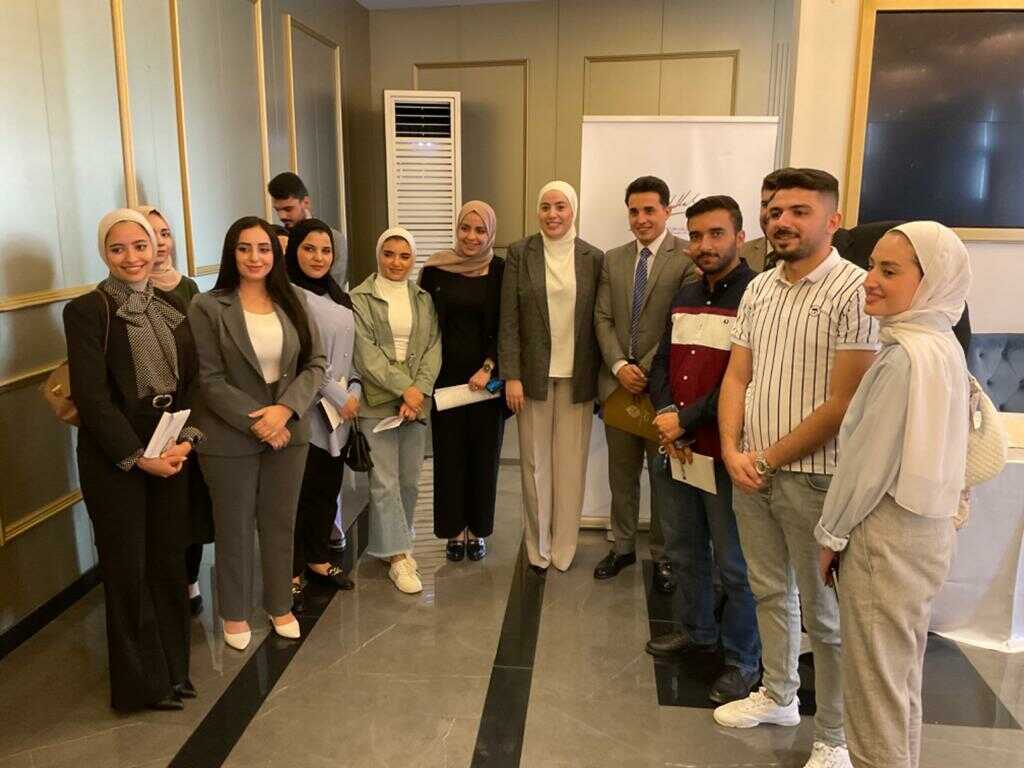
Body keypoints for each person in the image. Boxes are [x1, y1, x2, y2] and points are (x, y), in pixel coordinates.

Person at [713, 169, 878, 768]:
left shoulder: (855, 291)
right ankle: (779, 695)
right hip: (750, 470)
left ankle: (834, 736)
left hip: (816, 477)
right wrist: (732, 449)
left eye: (799, 211)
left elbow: (843, 403)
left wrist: (763, 457)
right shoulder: (759, 288)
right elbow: (737, 375)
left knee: (825, 616)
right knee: (768, 590)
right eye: (776, 211)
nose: (781, 221)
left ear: (832, 220)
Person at [816, 222, 971, 768]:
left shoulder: (904, 356)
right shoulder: (942, 344)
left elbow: (866, 466)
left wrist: (830, 536)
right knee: (900, 682)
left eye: (889, 270)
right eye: (872, 267)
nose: (870, 280)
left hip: (884, 536)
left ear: (930, 281)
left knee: (873, 697)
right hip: (927, 533)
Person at [64, 208, 202, 711]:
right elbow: (92, 398)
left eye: (140, 246)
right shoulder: (87, 310)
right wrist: (138, 457)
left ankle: (174, 672)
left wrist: (186, 441)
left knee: (167, 562)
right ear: (104, 252)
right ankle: (141, 686)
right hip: (116, 454)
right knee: (129, 569)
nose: (131, 257)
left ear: (155, 247)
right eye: (117, 248)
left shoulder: (172, 305)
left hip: (169, 441)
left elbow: (194, 381)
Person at [189, 217, 326, 650]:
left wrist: (284, 411)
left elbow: (316, 364)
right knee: (234, 526)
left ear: (276, 253)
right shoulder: (208, 306)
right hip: (229, 436)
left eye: (263, 248)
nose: (255, 257)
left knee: (280, 521)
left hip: (288, 432)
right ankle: (234, 611)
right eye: (244, 248)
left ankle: (279, 604)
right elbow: (208, 379)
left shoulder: (295, 300)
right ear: (231, 253)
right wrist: (259, 422)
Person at [646, 195, 761, 704]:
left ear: (740, 236)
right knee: (684, 552)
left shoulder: (757, 296)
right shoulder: (685, 292)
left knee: (734, 565)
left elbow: (745, 379)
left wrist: (685, 420)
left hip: (724, 453)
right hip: (677, 451)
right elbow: (661, 363)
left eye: (716, 234)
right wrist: (666, 413)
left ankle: (742, 660)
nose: (704, 245)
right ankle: (697, 633)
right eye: (695, 236)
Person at [593, 175, 697, 591]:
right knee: (621, 476)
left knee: (663, 479)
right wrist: (620, 365)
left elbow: (680, 321)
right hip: (618, 386)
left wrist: (647, 369)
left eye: (649, 210)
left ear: (667, 211)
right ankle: (622, 546)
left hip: (662, 390)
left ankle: (663, 555)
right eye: (634, 211)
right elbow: (602, 318)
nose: (641, 219)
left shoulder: (685, 258)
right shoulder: (613, 259)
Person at [499, 181, 604, 573]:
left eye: (560, 206)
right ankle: (537, 544)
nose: (552, 214)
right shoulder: (520, 253)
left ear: (573, 209)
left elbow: (600, 320)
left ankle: (564, 545)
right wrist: (511, 375)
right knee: (534, 464)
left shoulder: (593, 257)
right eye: (545, 207)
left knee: (571, 466)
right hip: (532, 377)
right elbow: (508, 319)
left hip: (579, 377)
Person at [351, 228, 441, 594]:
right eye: (389, 254)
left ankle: (396, 542)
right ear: (379, 255)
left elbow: (433, 346)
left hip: (415, 402)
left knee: (409, 480)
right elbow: (365, 353)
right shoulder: (359, 297)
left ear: (413, 259)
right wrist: (405, 388)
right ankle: (399, 557)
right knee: (384, 481)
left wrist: (418, 391)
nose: (396, 262)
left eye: (404, 256)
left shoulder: (423, 298)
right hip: (377, 401)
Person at [134, 204, 210, 617]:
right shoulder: (118, 295)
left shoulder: (188, 288)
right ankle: (156, 585)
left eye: (164, 233)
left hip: (184, 412)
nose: (160, 243)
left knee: (188, 502)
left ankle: (189, 580)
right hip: (140, 418)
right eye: (150, 235)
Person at [419, 201, 506, 562]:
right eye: (465, 228)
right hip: (446, 377)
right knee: (449, 457)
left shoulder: (501, 270)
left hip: (488, 380)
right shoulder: (435, 270)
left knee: (484, 457)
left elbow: (508, 324)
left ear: (491, 233)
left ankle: (478, 529)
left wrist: (489, 366)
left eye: (480, 230)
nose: (472, 237)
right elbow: (424, 326)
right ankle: (454, 530)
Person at [284, 218, 361, 609]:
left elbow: (352, 353)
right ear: (294, 251)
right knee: (298, 496)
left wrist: (355, 390)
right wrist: (337, 394)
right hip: (308, 411)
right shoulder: (289, 296)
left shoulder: (339, 296)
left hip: (340, 416)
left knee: (325, 492)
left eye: (326, 250)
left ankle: (317, 558)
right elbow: (299, 357)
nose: (318, 257)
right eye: (309, 249)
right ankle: (292, 572)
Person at [268, 172, 347, 288]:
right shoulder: (277, 239)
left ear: (306, 203)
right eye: (277, 210)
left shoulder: (334, 240)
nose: (281, 216)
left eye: (288, 209)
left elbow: (335, 287)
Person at [738, 168, 787, 273]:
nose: (768, 212)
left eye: (777, 206)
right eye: (765, 204)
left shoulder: (809, 256)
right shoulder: (740, 254)